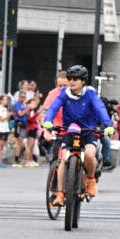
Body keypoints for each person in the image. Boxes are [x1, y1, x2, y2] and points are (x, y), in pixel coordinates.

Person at [43, 65, 113, 207]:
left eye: (75, 79)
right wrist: (48, 121)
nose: (72, 81)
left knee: (89, 154)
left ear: (83, 81)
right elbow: (53, 107)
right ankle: (60, 193)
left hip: (88, 131)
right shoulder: (64, 93)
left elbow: (100, 109)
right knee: (63, 159)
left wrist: (108, 125)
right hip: (70, 130)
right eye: (70, 78)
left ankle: (91, 179)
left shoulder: (90, 94)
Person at [0, 94, 13, 166]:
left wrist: (9, 115)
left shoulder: (5, 108)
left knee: (2, 146)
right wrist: (8, 115)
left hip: (5, 129)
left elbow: (7, 119)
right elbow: (1, 119)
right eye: (4, 100)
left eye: (6, 100)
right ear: (1, 101)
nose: (6, 101)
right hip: (0, 129)